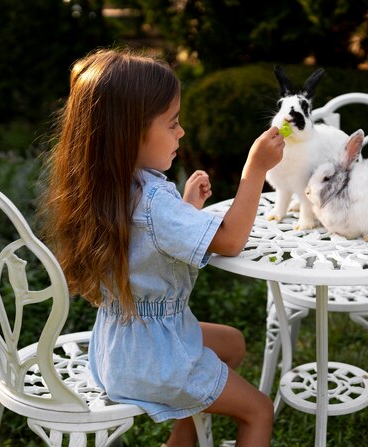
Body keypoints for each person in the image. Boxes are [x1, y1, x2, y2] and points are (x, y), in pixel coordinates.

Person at [41, 47, 284, 447]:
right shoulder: (153, 202)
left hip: (119, 347)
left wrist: (187, 209)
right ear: (130, 132)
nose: (181, 132)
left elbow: (147, 244)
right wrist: (255, 169)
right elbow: (231, 240)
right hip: (159, 361)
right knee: (259, 409)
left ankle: (180, 442)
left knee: (232, 343)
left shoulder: (102, 187)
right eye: (172, 124)